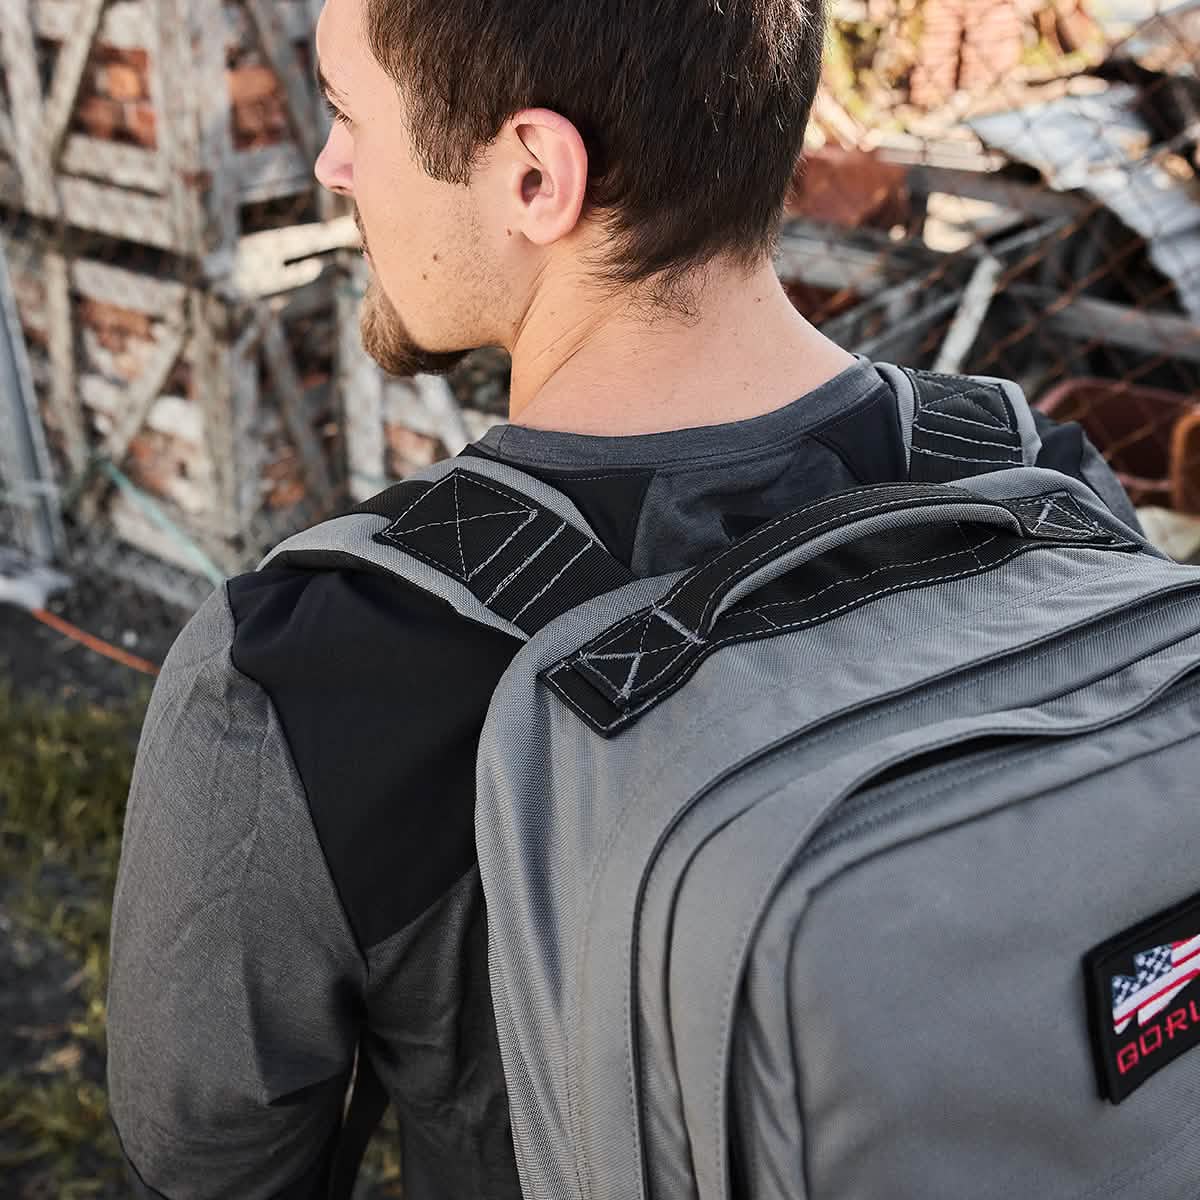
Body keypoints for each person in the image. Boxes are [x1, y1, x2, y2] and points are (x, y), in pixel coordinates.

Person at [105, 0, 1141, 1195]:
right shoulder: (1040, 483)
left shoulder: (306, 680)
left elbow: (208, 1175)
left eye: (347, 112)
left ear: (536, 174)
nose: (332, 164)